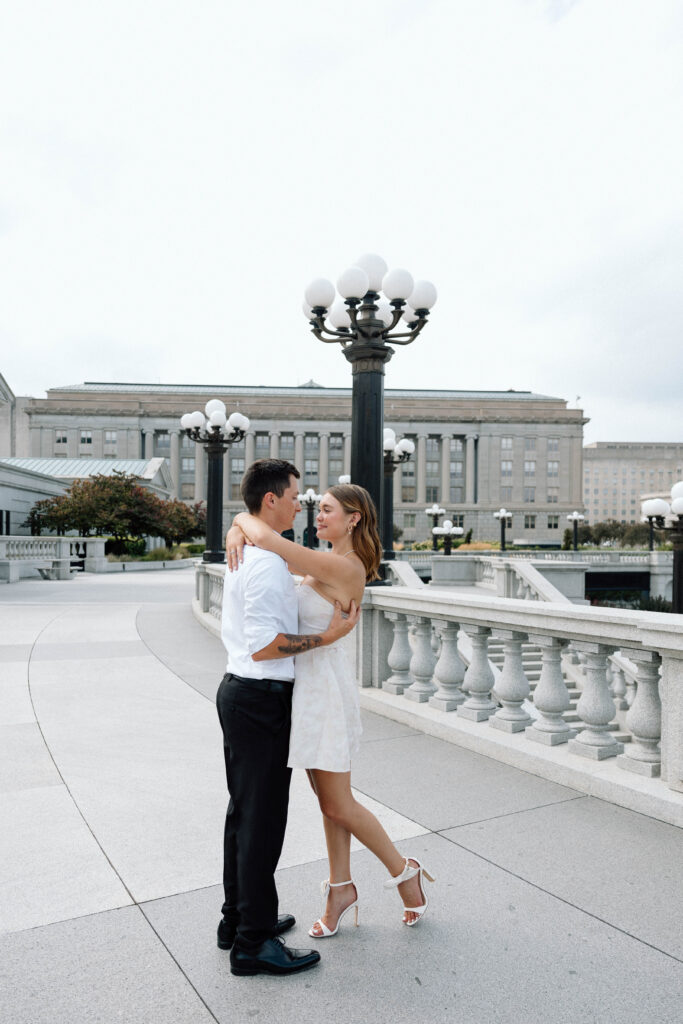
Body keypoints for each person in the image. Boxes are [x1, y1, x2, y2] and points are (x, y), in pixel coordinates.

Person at [226, 482, 435, 938]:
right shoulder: (325, 559)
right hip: (306, 689)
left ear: (354, 517)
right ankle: (340, 886)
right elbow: (264, 540)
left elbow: (266, 539)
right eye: (316, 509)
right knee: (329, 802)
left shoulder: (346, 567)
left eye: (325, 510)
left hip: (323, 691)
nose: (316, 517)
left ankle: (405, 872)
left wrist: (239, 525)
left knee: (339, 802)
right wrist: (236, 528)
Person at [216, 459, 360, 977]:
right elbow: (267, 648)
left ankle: (238, 920)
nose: (301, 502)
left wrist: (239, 522)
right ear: (271, 500)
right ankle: (252, 944)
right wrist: (329, 638)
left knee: (243, 815)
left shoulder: (253, 548)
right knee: (262, 823)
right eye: (295, 495)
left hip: (242, 696)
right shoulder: (267, 564)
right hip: (259, 698)